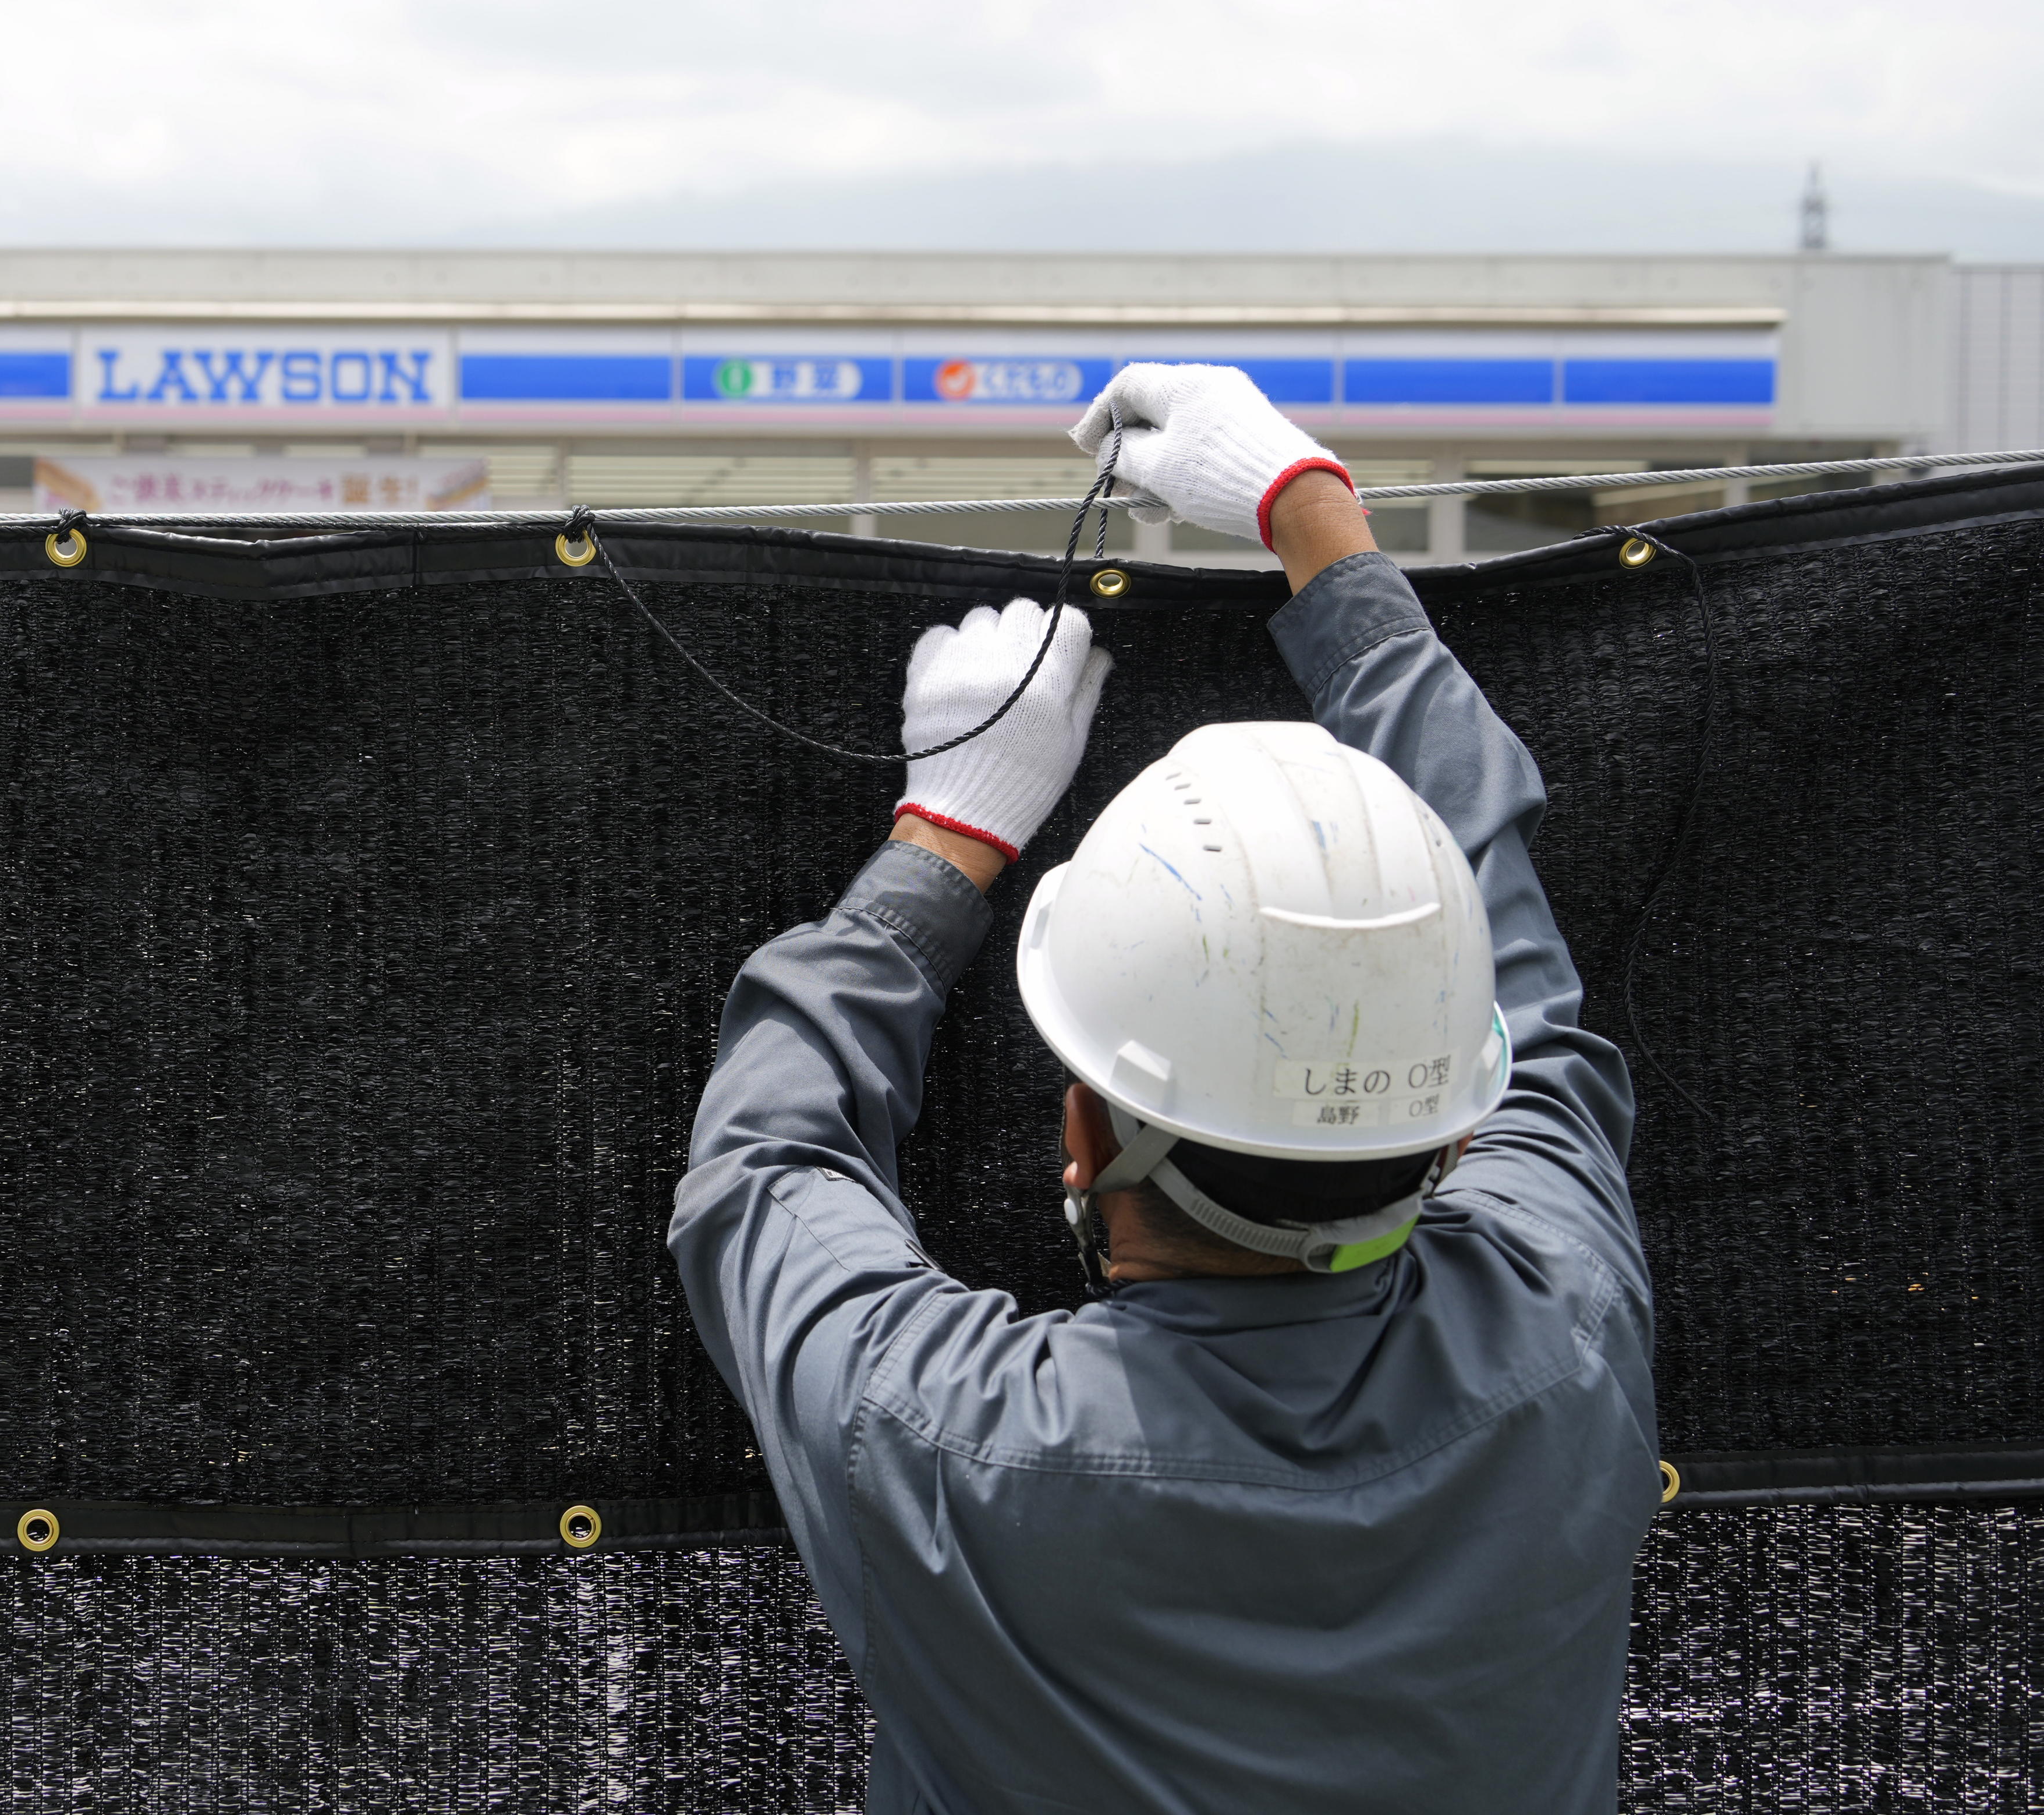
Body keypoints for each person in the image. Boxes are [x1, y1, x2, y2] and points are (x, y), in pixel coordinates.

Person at [669, 363, 1656, 1815]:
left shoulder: (951, 1438)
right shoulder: (1564, 1327)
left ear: (1080, 1126)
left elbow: (763, 1161)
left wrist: (949, 831)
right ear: (1453, 1119)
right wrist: (1309, 511)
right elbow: (1513, 968)